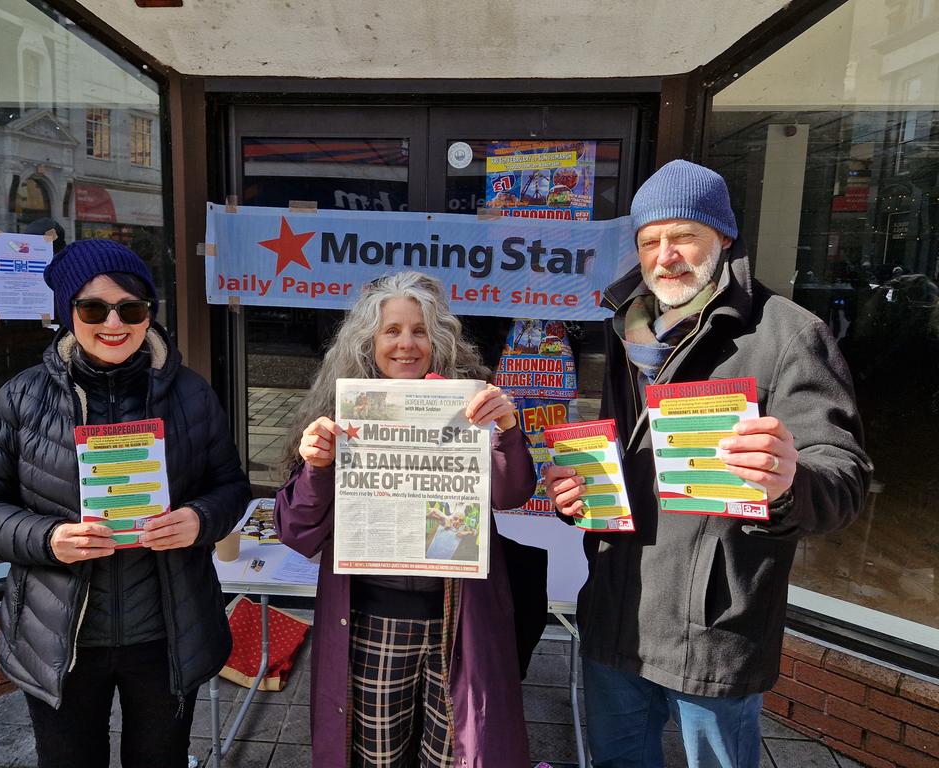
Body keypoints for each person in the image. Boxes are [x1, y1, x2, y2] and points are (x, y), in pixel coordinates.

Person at [545, 160, 872, 768]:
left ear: (723, 238)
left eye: (683, 236)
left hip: (713, 623)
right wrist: (581, 495)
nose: (665, 255)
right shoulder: (626, 332)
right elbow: (626, 459)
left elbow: (844, 477)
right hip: (616, 609)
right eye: (649, 241)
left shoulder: (790, 335)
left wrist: (788, 482)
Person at [0, 239, 250, 768]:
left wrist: (199, 520)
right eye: (93, 308)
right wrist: (48, 539)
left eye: (130, 308)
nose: (114, 323)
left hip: (166, 634)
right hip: (61, 638)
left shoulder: (191, 393)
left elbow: (230, 487)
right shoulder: (23, 397)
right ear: (69, 314)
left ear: (148, 315)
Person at [275, 271, 535, 768]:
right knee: (376, 758)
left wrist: (506, 429)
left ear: (438, 341)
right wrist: (317, 467)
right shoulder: (338, 413)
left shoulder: (470, 404)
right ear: (367, 342)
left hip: (458, 624)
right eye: (391, 331)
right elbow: (295, 530)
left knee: (455, 756)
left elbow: (510, 494)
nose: (406, 344)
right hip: (372, 623)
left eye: (419, 331)